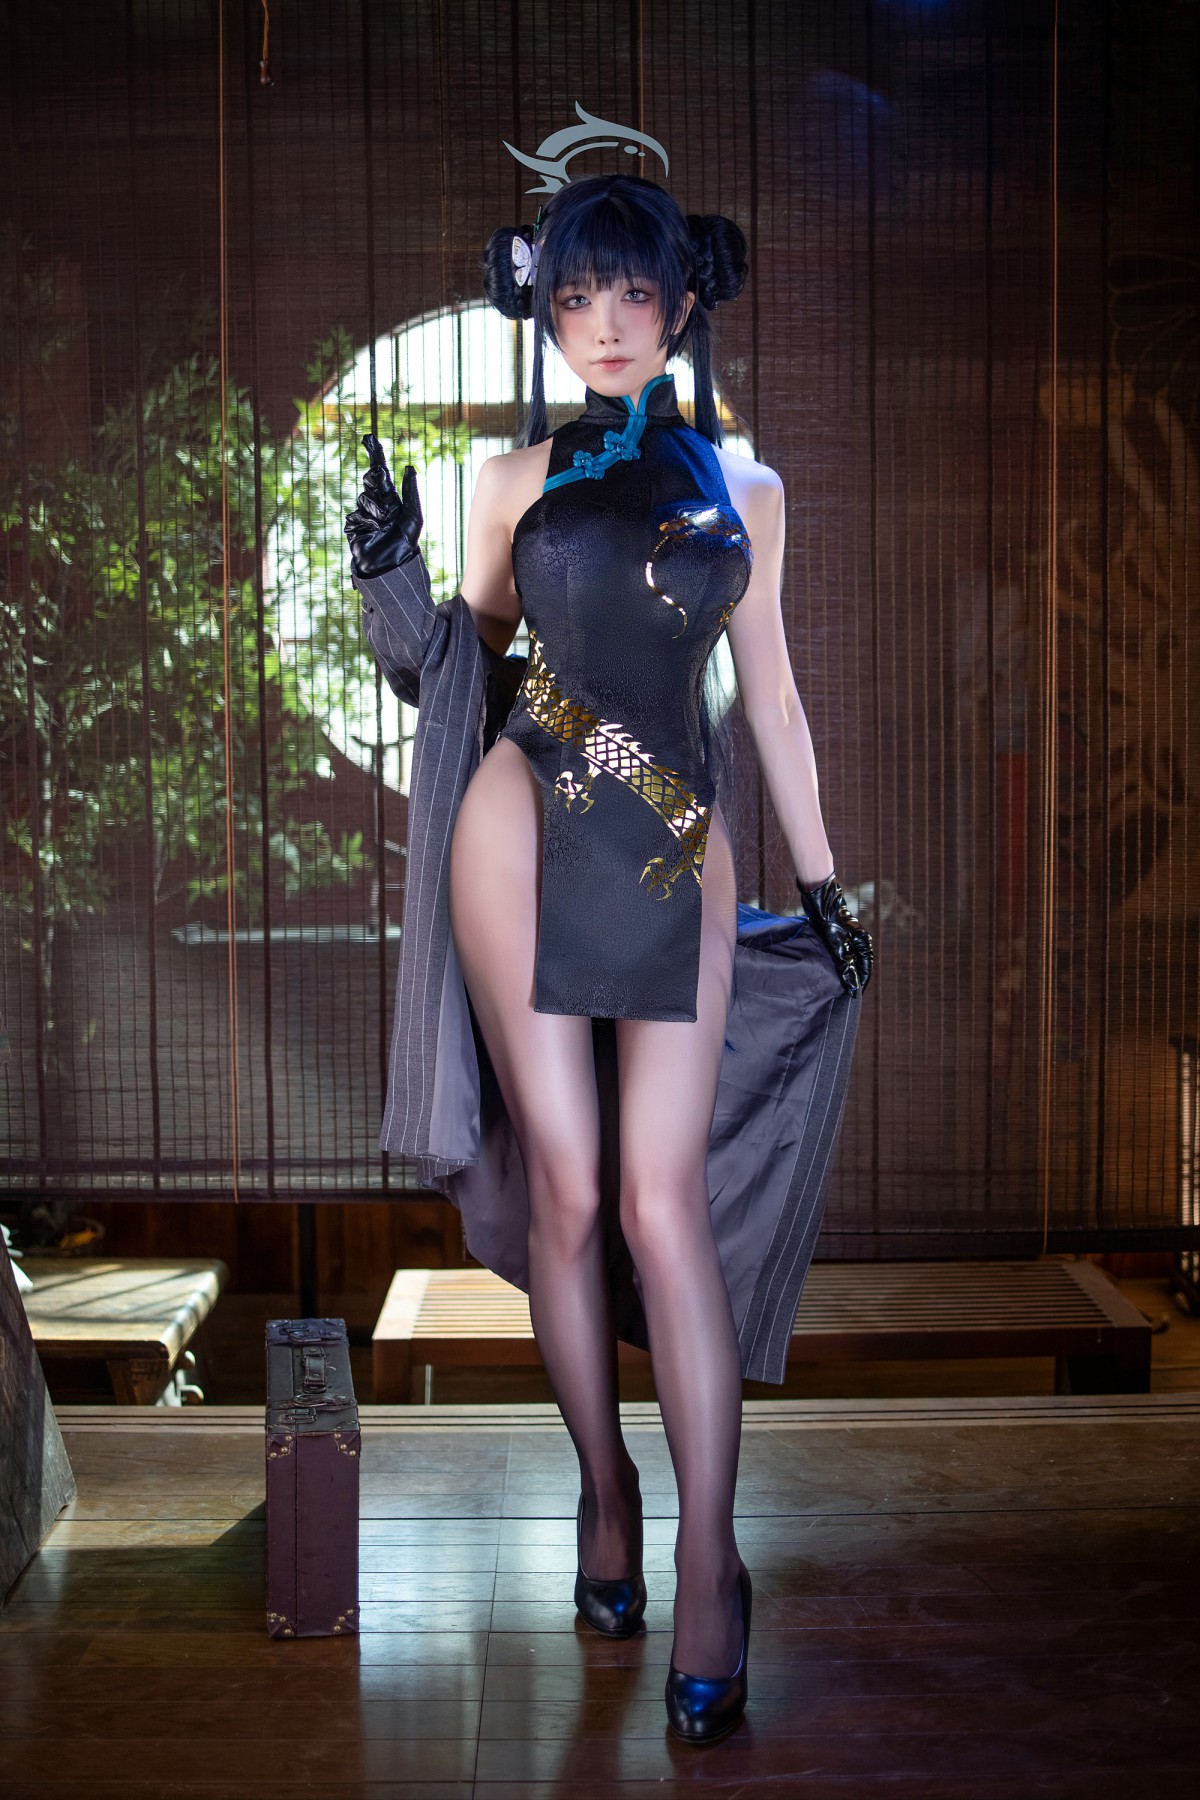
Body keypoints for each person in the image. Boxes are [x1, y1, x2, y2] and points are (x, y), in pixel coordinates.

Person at [345, 172, 871, 1744]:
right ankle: (603, 1487)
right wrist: (386, 575)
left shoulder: (750, 488)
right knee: (570, 1193)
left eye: (634, 295)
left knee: (662, 1202)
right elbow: (451, 672)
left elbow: (771, 701)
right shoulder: (510, 478)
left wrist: (828, 886)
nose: (607, 326)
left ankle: (712, 1560)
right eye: (576, 300)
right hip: (520, 819)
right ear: (546, 310)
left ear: (685, 300)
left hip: (671, 831)